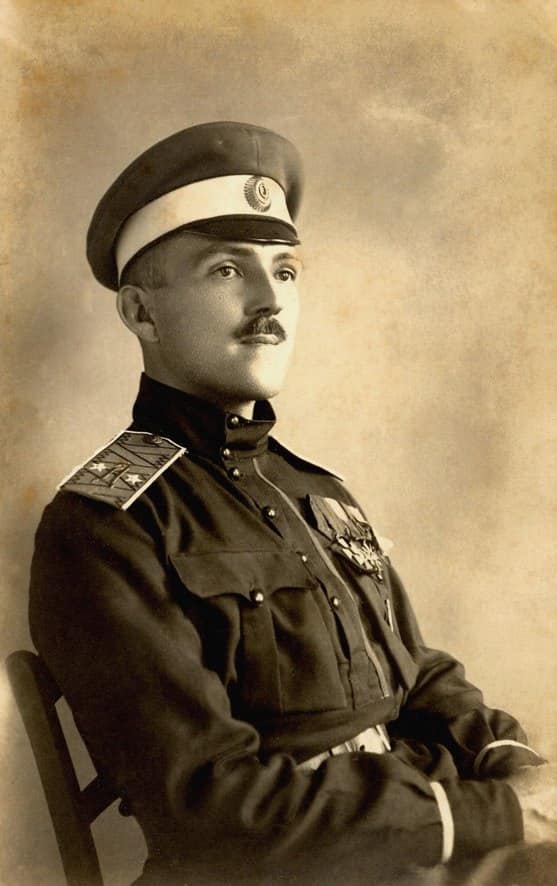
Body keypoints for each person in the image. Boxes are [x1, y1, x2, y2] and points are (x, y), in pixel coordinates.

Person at [28, 121, 556, 885]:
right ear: (142, 314)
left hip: (407, 845)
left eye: (284, 271)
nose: (269, 298)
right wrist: (494, 815)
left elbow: (412, 671)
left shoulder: (316, 491)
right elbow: (209, 808)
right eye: (225, 270)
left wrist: (512, 764)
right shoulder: (106, 524)